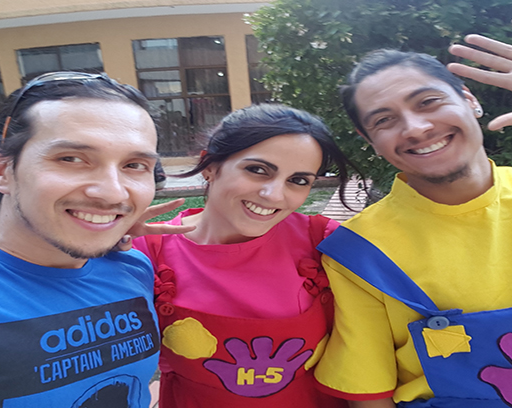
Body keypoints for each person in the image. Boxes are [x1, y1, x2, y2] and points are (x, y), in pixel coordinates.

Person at [313, 18, 512, 407]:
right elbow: (370, 395)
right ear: (370, 140)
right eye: (384, 120)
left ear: (469, 99)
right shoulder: (359, 251)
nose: (416, 128)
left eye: (428, 102)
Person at [0, 71, 190, 408]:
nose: (113, 192)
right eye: (71, 159)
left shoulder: (131, 266)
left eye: (134, 165)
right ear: (1, 170)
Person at [133, 103, 354, 407]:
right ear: (210, 166)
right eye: (258, 170)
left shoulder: (326, 242)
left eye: (298, 180)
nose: (274, 195)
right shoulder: (144, 251)